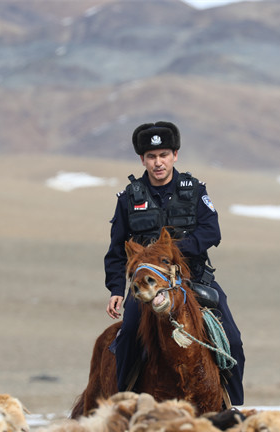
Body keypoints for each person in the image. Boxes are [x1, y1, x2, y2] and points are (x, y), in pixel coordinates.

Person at [104, 120, 245, 406]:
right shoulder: (128, 198)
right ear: (142, 159)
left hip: (193, 279)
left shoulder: (194, 190)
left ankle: (230, 403)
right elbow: (117, 248)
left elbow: (211, 232)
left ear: (175, 155)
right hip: (147, 285)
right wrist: (116, 289)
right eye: (151, 157)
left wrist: (172, 251)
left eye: (164, 155)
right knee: (128, 335)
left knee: (232, 338)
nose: (158, 162)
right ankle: (126, 399)